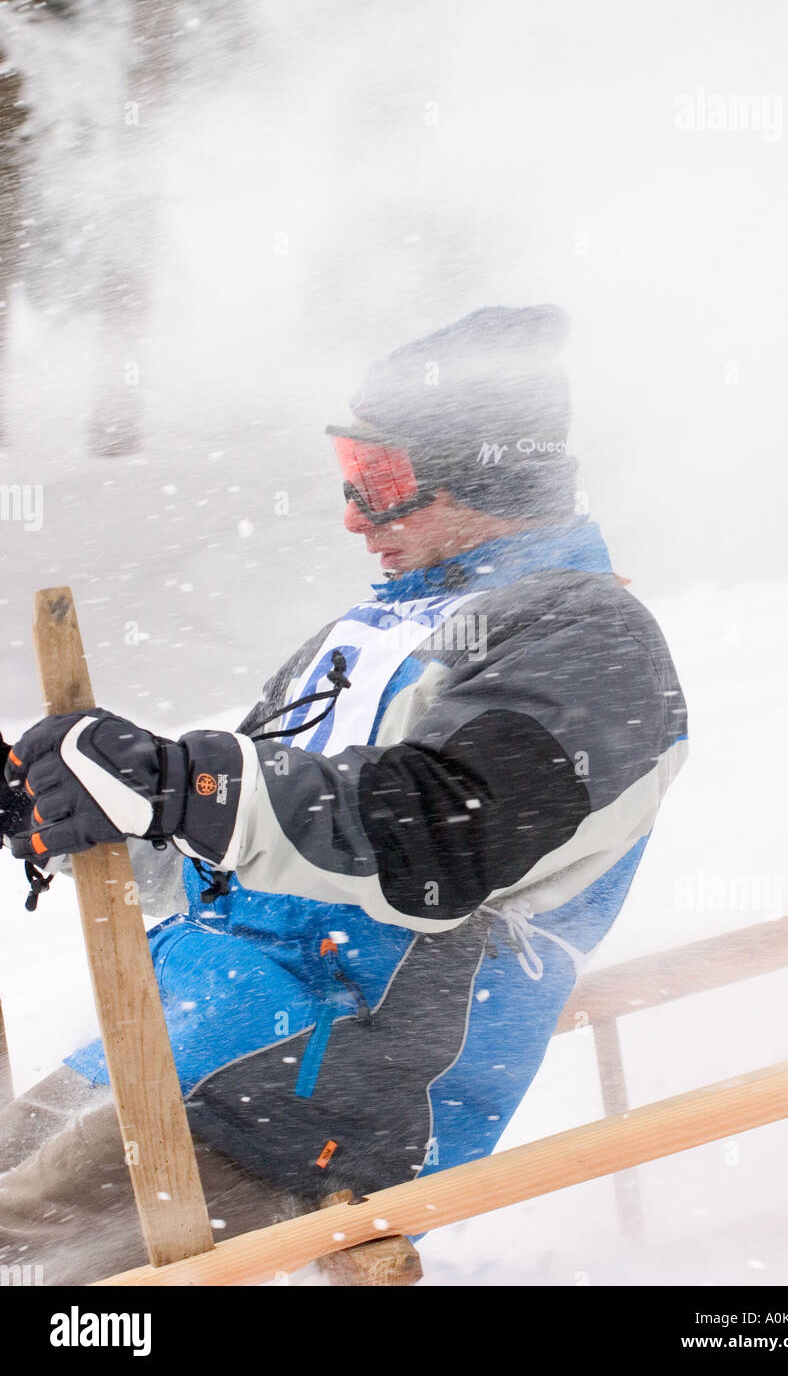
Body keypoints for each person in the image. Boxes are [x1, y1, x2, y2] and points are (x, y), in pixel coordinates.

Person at [0, 304, 688, 1284]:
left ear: (489, 471)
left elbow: (436, 835)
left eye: (380, 481)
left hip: (314, 1087)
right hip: (174, 1031)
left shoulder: (589, 640)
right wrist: (84, 808)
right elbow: (232, 845)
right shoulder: (366, 634)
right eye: (350, 473)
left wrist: (184, 781)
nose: (353, 516)